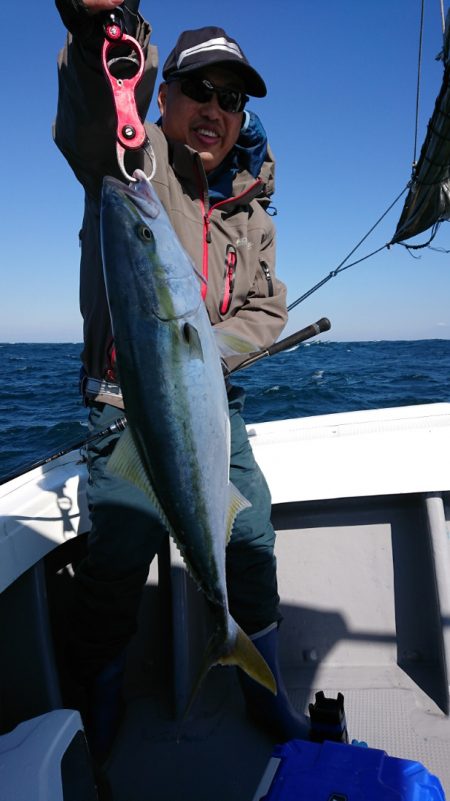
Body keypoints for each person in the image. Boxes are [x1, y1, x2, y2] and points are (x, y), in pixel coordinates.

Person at [54, 0, 309, 762]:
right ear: (163, 96)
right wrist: (107, 30)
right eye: (200, 89)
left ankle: (259, 684)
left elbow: (267, 305)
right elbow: (96, 118)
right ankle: (94, 715)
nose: (214, 111)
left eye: (233, 100)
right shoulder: (137, 171)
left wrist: (207, 352)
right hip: (121, 406)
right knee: (118, 559)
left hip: (209, 401)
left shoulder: (251, 212)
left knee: (253, 533)